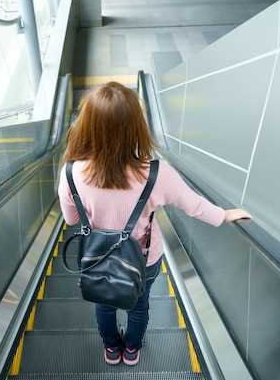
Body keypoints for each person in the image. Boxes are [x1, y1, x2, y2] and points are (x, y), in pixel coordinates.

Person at [57, 82, 251, 366]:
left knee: (104, 304)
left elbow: (71, 219)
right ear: (136, 126)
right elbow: (193, 205)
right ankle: (132, 349)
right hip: (144, 260)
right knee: (139, 306)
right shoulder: (157, 173)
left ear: (87, 125)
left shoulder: (72, 173)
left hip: (98, 258)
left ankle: (112, 349)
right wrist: (224, 215)